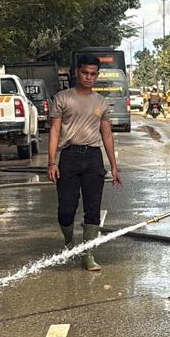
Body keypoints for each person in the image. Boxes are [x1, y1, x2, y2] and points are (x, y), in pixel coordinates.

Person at [48, 54, 123, 271]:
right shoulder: (62, 98)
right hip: (69, 157)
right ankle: (68, 241)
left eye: (93, 74)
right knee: (66, 209)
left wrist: (114, 167)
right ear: (77, 72)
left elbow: (107, 135)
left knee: (93, 208)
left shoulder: (101, 102)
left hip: (93, 158)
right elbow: (54, 131)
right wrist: (52, 162)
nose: (89, 77)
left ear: (97, 75)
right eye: (85, 73)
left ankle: (88, 254)